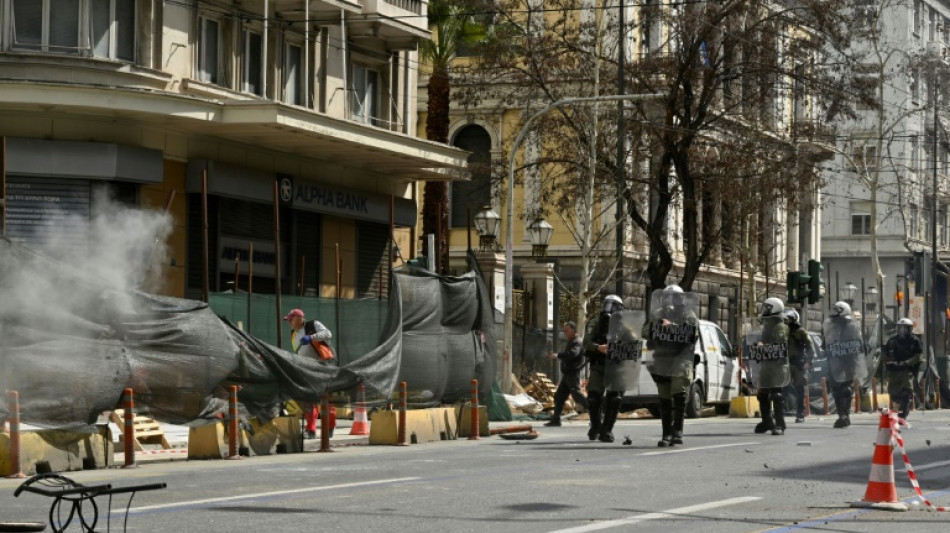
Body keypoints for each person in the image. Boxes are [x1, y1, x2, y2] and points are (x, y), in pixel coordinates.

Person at [642, 284, 699, 447]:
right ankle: (666, 434)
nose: (669, 300)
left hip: (681, 358)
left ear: (680, 299)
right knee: (664, 398)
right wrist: (658, 325)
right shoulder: (658, 314)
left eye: (673, 296)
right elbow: (644, 332)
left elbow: (692, 333)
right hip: (662, 359)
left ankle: (677, 432)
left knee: (679, 395)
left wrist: (671, 327)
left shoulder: (688, 315)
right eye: (666, 296)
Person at [285, 308, 335, 439]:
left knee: (326, 399)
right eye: (288, 320)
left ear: (299, 319)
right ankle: (311, 429)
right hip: (306, 370)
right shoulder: (293, 334)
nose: (289, 322)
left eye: (291, 319)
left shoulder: (313, 325)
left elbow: (328, 334)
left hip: (322, 368)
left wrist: (311, 337)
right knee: (309, 401)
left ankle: (329, 427)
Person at [583, 295, 624, 442]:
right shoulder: (595, 323)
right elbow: (585, 342)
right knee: (593, 398)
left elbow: (634, 344)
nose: (609, 309)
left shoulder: (625, 325)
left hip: (616, 368)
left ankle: (606, 430)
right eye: (607, 304)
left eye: (613, 306)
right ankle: (595, 426)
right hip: (599, 365)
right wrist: (597, 347)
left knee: (614, 399)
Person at [823, 301, 865, 429]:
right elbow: (825, 344)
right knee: (836, 389)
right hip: (834, 359)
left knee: (846, 388)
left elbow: (860, 345)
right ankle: (841, 414)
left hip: (849, 361)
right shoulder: (830, 327)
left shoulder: (853, 327)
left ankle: (845, 415)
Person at [752, 297, 790, 435]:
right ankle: (767, 421)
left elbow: (780, 346)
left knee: (776, 394)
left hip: (778, 366)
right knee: (762, 394)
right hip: (767, 364)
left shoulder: (780, 326)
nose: (764, 309)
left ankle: (780, 424)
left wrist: (764, 346)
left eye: (767, 307)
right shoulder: (768, 325)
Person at [544, 321, 589, 427]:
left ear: (573, 330)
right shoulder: (571, 341)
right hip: (567, 374)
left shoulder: (577, 342)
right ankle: (556, 419)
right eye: (564, 331)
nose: (565, 333)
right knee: (559, 396)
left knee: (576, 394)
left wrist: (557, 355)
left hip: (573, 373)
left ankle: (594, 411)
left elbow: (573, 353)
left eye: (567, 331)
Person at [883, 318, 923, 420]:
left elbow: (918, 356)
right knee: (895, 396)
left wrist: (906, 363)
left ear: (909, 329)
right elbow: (885, 355)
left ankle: (902, 415)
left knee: (906, 393)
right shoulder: (892, 340)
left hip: (907, 370)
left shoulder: (914, 340)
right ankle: (904, 408)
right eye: (900, 328)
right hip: (894, 371)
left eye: (905, 328)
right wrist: (890, 363)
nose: (902, 330)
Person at [784, 309, 814, 423]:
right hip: (786, 363)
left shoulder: (801, 332)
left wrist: (808, 361)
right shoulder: (784, 332)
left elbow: (810, 348)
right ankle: (780, 412)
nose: (788, 322)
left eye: (790, 319)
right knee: (783, 388)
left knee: (799, 389)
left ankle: (800, 413)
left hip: (798, 364)